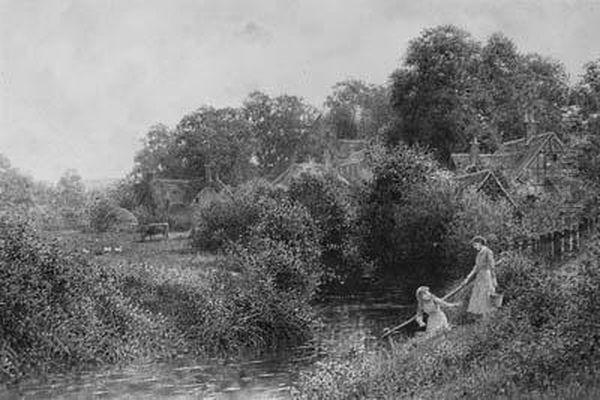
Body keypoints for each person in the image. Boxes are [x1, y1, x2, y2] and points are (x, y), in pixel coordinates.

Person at [463, 235, 498, 318]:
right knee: (480, 297)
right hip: (480, 277)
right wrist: (468, 278)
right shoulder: (479, 254)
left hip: (486, 275)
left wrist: (494, 279)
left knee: (487, 296)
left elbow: (492, 266)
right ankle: (484, 318)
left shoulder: (488, 252)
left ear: (480, 243)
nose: (475, 247)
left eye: (475, 245)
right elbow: (476, 267)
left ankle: (489, 318)